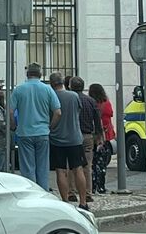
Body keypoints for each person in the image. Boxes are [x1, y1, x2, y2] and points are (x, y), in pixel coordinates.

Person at [10, 63, 61, 189]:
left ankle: (31, 192)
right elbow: (58, 112)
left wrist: (14, 126)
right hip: (42, 132)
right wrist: (50, 126)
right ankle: (43, 191)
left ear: (27, 74)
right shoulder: (47, 89)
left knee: (27, 167)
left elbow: (10, 111)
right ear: (40, 74)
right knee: (43, 167)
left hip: (25, 133)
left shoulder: (19, 89)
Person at [50, 72, 89, 210]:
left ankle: (65, 202)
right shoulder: (73, 96)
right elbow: (78, 111)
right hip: (74, 138)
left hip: (56, 138)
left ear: (51, 83)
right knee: (78, 169)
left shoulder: (51, 96)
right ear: (62, 82)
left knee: (60, 170)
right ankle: (83, 202)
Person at [70, 76, 103, 205]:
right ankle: (88, 193)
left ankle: (71, 192)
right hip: (87, 135)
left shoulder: (70, 100)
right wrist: (99, 136)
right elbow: (97, 120)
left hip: (72, 135)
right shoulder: (90, 101)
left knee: (72, 165)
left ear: (71, 86)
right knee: (87, 166)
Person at [89, 83, 116, 194]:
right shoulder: (106, 103)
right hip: (105, 136)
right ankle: (101, 186)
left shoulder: (91, 103)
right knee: (102, 163)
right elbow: (111, 114)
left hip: (93, 135)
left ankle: (93, 185)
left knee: (93, 163)